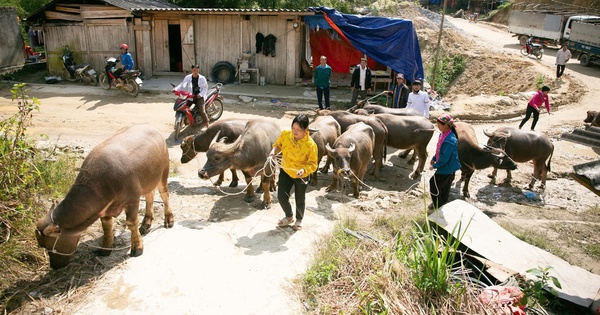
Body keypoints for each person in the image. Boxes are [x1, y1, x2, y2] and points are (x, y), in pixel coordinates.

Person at [269, 114, 318, 231]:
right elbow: (278, 145)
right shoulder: (286, 134)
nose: (295, 132)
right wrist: (273, 152)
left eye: (299, 130)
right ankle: (289, 216)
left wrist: (304, 170)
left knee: (299, 198)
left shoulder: (311, 145)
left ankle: (299, 219)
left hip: (301, 175)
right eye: (293, 128)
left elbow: (313, 164)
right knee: (281, 196)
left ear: (306, 130)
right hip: (286, 170)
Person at [428, 114, 460, 210]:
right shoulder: (444, 134)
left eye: (439, 124)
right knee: (445, 186)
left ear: (446, 125)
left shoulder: (450, 140)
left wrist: (434, 166)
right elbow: (439, 150)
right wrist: (434, 158)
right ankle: (443, 202)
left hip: (447, 167)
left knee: (433, 185)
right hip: (449, 166)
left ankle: (438, 206)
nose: (438, 126)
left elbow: (444, 158)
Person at [173, 64, 210, 129]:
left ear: (198, 70)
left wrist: (200, 94)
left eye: (197, 69)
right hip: (190, 96)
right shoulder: (188, 77)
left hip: (199, 97)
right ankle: (186, 119)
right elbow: (182, 85)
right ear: (192, 70)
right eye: (194, 69)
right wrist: (175, 89)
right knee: (183, 107)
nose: (195, 71)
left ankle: (206, 123)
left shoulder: (202, 78)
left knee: (202, 111)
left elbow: (205, 88)